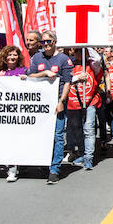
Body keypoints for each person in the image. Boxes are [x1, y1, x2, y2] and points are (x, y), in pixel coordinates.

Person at [29, 32, 73, 184]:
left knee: (58, 136)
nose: (46, 44)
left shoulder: (63, 59)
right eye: (43, 41)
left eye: (48, 41)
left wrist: (62, 100)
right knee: (42, 134)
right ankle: (44, 161)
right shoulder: (36, 58)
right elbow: (31, 76)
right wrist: (45, 73)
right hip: (40, 103)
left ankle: (55, 169)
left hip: (57, 102)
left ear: (55, 41)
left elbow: (68, 81)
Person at [0, 45, 30, 181]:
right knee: (7, 141)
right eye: (9, 55)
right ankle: (12, 167)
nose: (12, 57)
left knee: (17, 140)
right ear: (4, 57)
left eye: (14, 55)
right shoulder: (1, 72)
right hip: (4, 113)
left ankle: (15, 168)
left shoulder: (24, 71)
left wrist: (27, 80)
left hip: (19, 113)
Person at [65, 48, 101, 170]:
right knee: (77, 130)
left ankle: (88, 157)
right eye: (77, 51)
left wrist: (87, 45)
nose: (79, 53)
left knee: (89, 130)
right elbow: (64, 80)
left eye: (82, 51)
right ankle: (81, 153)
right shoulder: (69, 64)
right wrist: (77, 78)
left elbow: (98, 59)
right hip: (73, 103)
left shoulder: (91, 64)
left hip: (89, 102)